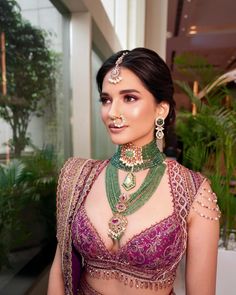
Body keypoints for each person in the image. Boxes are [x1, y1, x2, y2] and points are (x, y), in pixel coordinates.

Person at [47, 48, 220, 295]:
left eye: (129, 98)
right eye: (106, 99)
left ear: (161, 109)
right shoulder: (78, 176)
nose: (112, 113)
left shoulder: (195, 192)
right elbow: (60, 270)